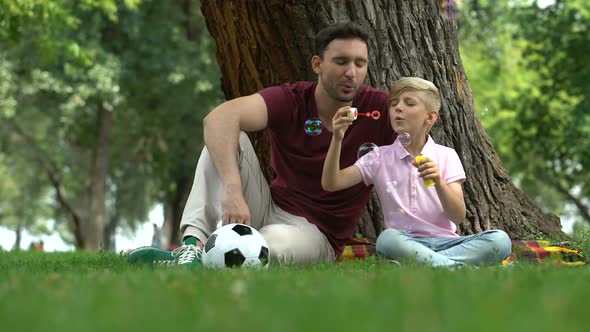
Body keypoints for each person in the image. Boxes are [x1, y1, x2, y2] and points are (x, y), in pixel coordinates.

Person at [128, 22, 396, 267]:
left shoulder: (379, 109)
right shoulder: (292, 99)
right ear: (317, 64)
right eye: (341, 61)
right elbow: (218, 118)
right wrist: (233, 191)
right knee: (229, 138)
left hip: (316, 233)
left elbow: (422, 150)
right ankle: (191, 249)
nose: (351, 72)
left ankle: (207, 264)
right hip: (267, 206)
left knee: (267, 251)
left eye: (360, 63)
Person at [321, 77, 511, 267]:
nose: (398, 108)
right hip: (404, 241)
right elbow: (332, 183)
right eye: (394, 104)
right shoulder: (379, 157)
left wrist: (438, 181)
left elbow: (458, 216)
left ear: (430, 117)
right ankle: (461, 268)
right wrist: (337, 138)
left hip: (447, 241)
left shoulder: (446, 155)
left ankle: (428, 264)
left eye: (409, 103)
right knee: (387, 240)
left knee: (500, 240)